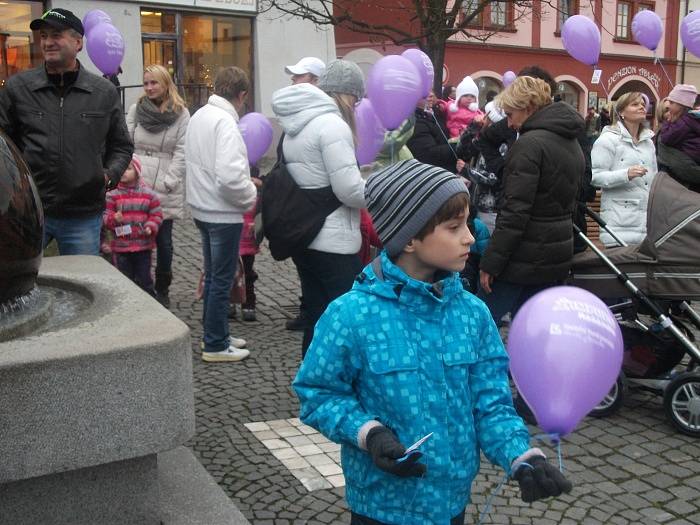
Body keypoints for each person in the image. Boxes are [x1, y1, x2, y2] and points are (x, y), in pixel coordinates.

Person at [293, 159, 572, 525]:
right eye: (454, 227)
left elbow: (491, 405)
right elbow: (318, 393)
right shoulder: (351, 315)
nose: (469, 238)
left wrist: (521, 457)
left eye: (468, 224)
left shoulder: (473, 315)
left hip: (451, 503)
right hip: (380, 505)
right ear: (408, 237)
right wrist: (369, 434)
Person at [0, 8, 133, 255]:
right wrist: (14, 190)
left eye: (56, 35)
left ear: (78, 42)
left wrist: (108, 176)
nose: (48, 42)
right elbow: (4, 146)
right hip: (29, 212)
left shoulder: (103, 92)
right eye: (44, 36)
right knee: (22, 281)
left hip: (82, 215)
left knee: (82, 283)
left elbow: (121, 145)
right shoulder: (18, 89)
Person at [271, 59, 367, 357]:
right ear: (346, 95)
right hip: (333, 239)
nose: (357, 105)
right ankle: (337, 386)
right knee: (349, 316)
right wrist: (382, 189)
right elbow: (349, 190)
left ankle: (311, 381)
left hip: (305, 232)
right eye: (356, 98)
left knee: (316, 313)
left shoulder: (297, 123)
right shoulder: (333, 125)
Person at [479, 76, 584, 327]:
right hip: (555, 250)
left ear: (527, 107)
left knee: (480, 323)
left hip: (523, 254)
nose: (509, 122)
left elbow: (515, 211)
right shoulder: (569, 140)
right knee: (534, 327)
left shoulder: (530, 144)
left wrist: (491, 263)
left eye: (510, 114)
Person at [186, 66, 258, 363]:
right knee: (220, 280)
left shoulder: (200, 115)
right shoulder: (225, 123)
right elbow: (229, 176)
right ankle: (215, 343)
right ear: (242, 95)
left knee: (214, 277)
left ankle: (216, 333)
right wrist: (250, 195)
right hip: (221, 212)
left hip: (203, 207)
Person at [126, 64, 190, 308]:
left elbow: (183, 151)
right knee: (133, 235)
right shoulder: (136, 109)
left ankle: (163, 286)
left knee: (163, 240)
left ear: (166, 84)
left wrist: (170, 180)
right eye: (146, 83)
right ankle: (138, 281)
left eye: (154, 83)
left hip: (164, 184)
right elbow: (126, 142)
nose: (150, 88)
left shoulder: (181, 113)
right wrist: (128, 176)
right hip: (136, 181)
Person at [283, 56, 326, 331]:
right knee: (307, 269)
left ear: (315, 81)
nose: (293, 80)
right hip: (298, 205)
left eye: (300, 76)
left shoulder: (325, 119)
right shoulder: (293, 116)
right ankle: (307, 310)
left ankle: (311, 313)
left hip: (318, 209)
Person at [591, 92, 657, 247]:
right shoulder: (607, 140)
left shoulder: (648, 143)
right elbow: (595, 177)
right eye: (635, 104)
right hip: (619, 223)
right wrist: (626, 174)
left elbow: (653, 179)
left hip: (647, 225)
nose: (641, 107)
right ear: (621, 112)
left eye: (642, 104)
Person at [103, 155, 162, 295]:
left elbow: (157, 214)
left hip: (143, 246)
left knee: (145, 278)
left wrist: (150, 226)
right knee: (124, 279)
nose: (124, 171)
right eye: (121, 168)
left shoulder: (149, 195)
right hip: (121, 247)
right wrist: (113, 218)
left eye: (128, 168)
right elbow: (104, 216)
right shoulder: (111, 195)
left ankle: (149, 303)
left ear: (137, 171)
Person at [406, 91, 464, 173]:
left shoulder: (435, 113)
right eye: (425, 91)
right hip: (436, 175)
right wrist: (460, 146)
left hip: (450, 170)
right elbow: (429, 154)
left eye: (432, 90)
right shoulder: (414, 122)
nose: (431, 94)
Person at [658, 84, 700, 163]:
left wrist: (668, 122)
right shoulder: (693, 118)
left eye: (671, 103)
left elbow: (666, 138)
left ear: (681, 105)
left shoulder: (684, 122)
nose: (669, 106)